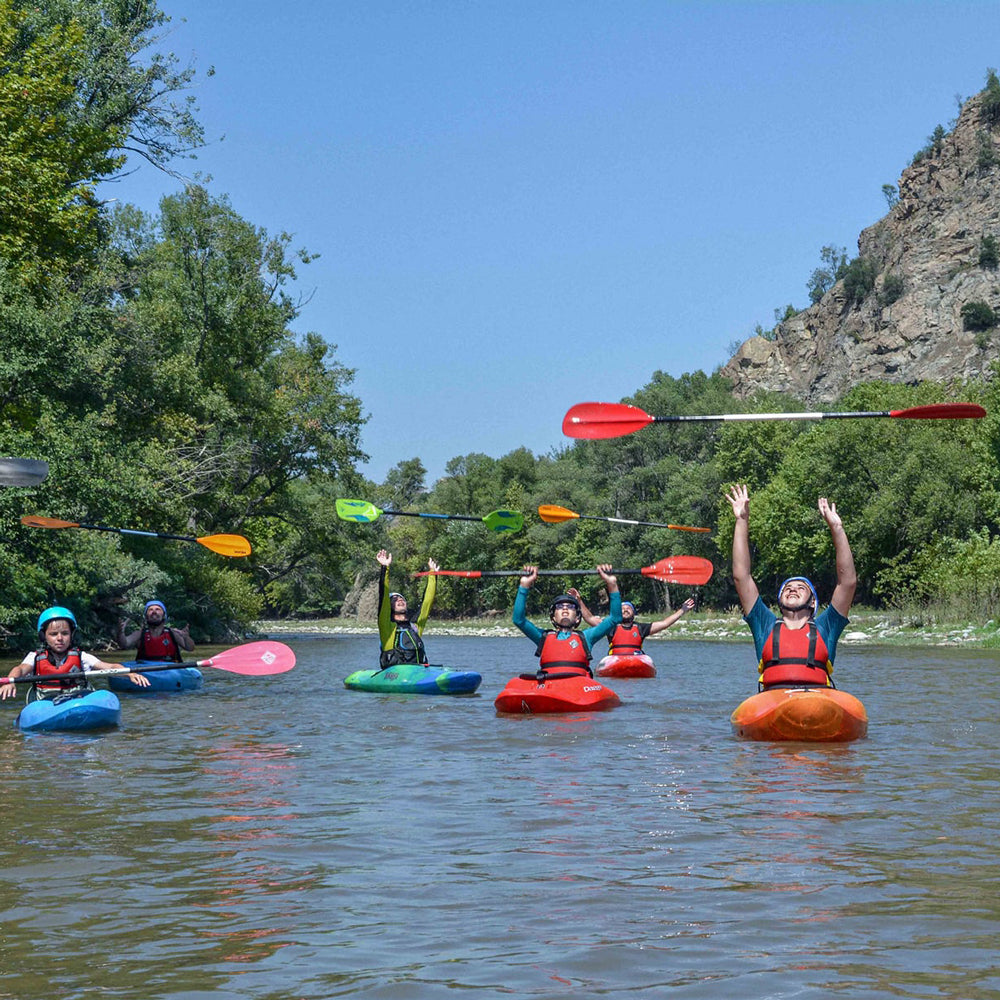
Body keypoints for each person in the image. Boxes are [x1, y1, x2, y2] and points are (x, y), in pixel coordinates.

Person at [726, 484, 856, 689]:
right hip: (774, 703)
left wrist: (837, 529)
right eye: (787, 588)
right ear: (779, 600)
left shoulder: (827, 626)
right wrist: (741, 521)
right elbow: (741, 576)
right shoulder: (764, 623)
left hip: (817, 701)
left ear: (813, 601)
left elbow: (847, 582)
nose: (792, 589)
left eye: (801, 587)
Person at [1, 606, 150, 701]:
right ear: (43, 636)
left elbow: (109, 666)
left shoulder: (82, 657)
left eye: (65, 633)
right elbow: (19, 669)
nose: (60, 638)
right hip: (45, 703)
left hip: (77, 699)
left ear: (72, 635)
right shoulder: (35, 657)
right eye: (53, 634)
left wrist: (129, 673)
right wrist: (10, 681)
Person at [513, 565, 623, 676]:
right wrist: (524, 585)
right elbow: (519, 620)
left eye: (570, 607)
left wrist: (611, 584)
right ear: (553, 617)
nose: (565, 609)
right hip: (550, 685)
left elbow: (615, 618)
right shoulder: (543, 637)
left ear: (577, 617)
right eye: (560, 607)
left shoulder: (587, 637)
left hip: (578, 685)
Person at [571, 588, 697, 654]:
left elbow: (664, 624)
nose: (625, 610)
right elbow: (590, 618)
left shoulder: (641, 628)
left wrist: (682, 610)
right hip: (615, 660)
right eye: (622, 608)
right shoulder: (611, 627)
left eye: (628, 608)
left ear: (634, 613)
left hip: (637, 658)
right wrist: (579, 600)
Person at [376, 549, 439, 669]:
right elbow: (383, 596)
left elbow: (427, 603)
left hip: (417, 670)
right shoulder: (386, 626)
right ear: (389, 607)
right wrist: (385, 568)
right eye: (394, 599)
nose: (399, 600)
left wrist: (432, 575)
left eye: (401, 599)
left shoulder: (415, 626)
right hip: (396, 672)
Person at [117, 600, 194, 662]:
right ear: (146, 616)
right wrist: (121, 632)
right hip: (146, 671)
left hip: (170, 670)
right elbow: (124, 644)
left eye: (157, 609)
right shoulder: (140, 634)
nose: (154, 612)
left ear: (163, 615)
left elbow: (190, 648)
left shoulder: (172, 633)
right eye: (150, 610)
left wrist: (186, 637)